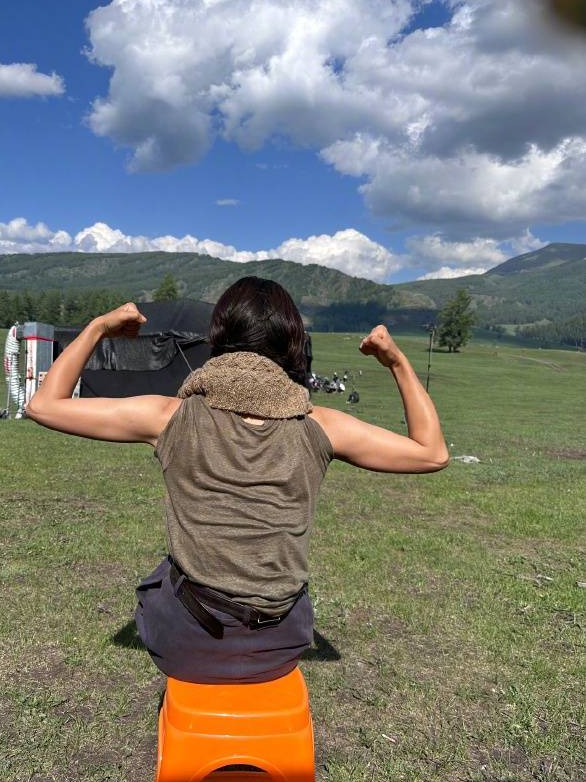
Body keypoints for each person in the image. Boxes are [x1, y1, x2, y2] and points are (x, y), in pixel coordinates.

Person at [25, 277, 449, 684]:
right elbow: (432, 453)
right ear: (292, 345)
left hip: (185, 644)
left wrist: (99, 327)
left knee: (166, 573)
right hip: (281, 646)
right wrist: (396, 360)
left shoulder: (168, 416)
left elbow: (44, 406)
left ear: (218, 338)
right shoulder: (324, 426)